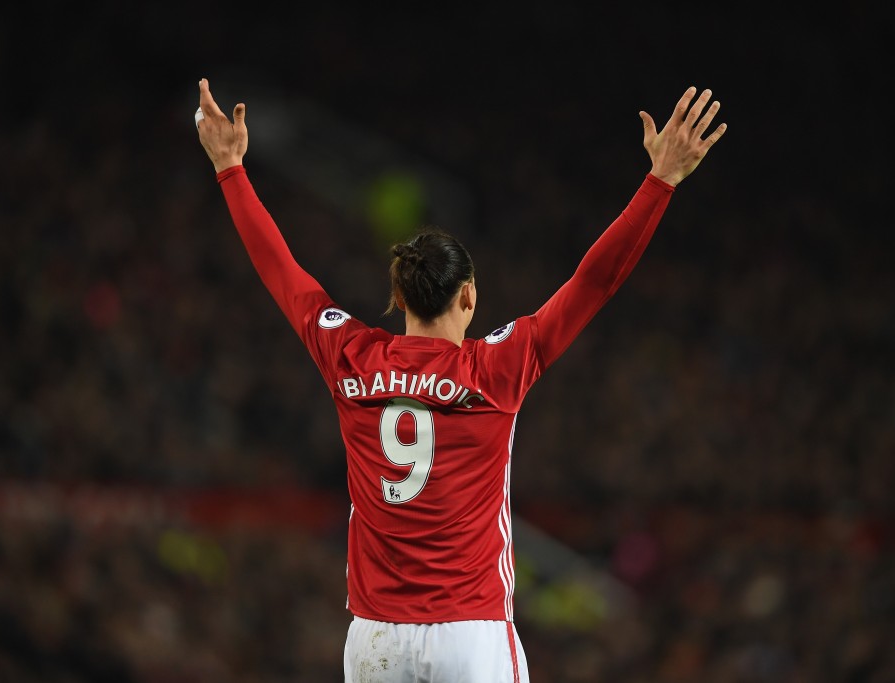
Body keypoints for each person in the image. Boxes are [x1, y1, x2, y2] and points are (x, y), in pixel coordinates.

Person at [194, 77, 725, 682]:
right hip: (469, 636)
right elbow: (592, 282)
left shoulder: (351, 358)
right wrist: (660, 183)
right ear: (469, 296)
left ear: (398, 297)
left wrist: (230, 169)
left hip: (375, 639)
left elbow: (281, 271)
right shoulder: (497, 368)